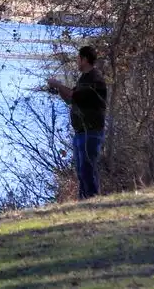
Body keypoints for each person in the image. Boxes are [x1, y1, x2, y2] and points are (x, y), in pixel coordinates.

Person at [47, 46, 107, 199]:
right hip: (81, 133)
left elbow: (75, 96)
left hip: (91, 132)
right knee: (81, 172)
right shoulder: (84, 79)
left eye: (78, 58)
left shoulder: (95, 79)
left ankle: (93, 202)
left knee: (88, 171)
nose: (76, 61)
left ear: (85, 59)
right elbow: (70, 98)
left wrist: (59, 85)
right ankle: (84, 204)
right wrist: (59, 90)